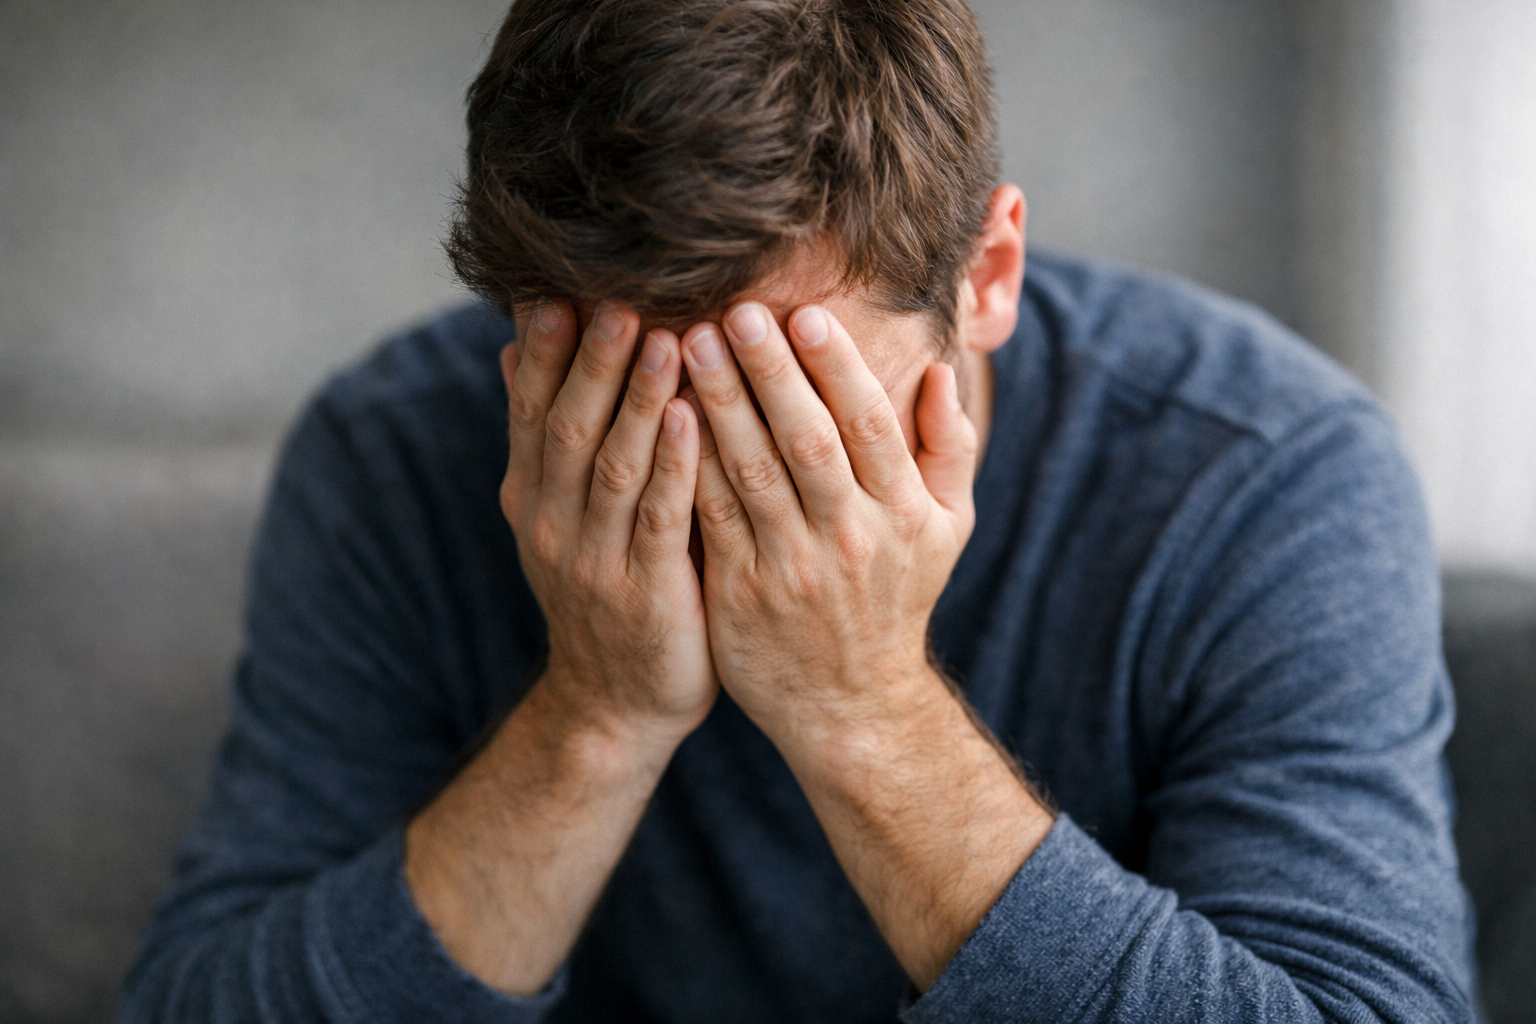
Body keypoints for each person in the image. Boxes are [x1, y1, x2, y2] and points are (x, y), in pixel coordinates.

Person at [120, 0, 1481, 1021]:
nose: (714, 492)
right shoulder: (391, 454)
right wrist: (593, 715)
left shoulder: (1262, 467)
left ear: (987, 276)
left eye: (797, 411)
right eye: (626, 409)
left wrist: (865, 708)